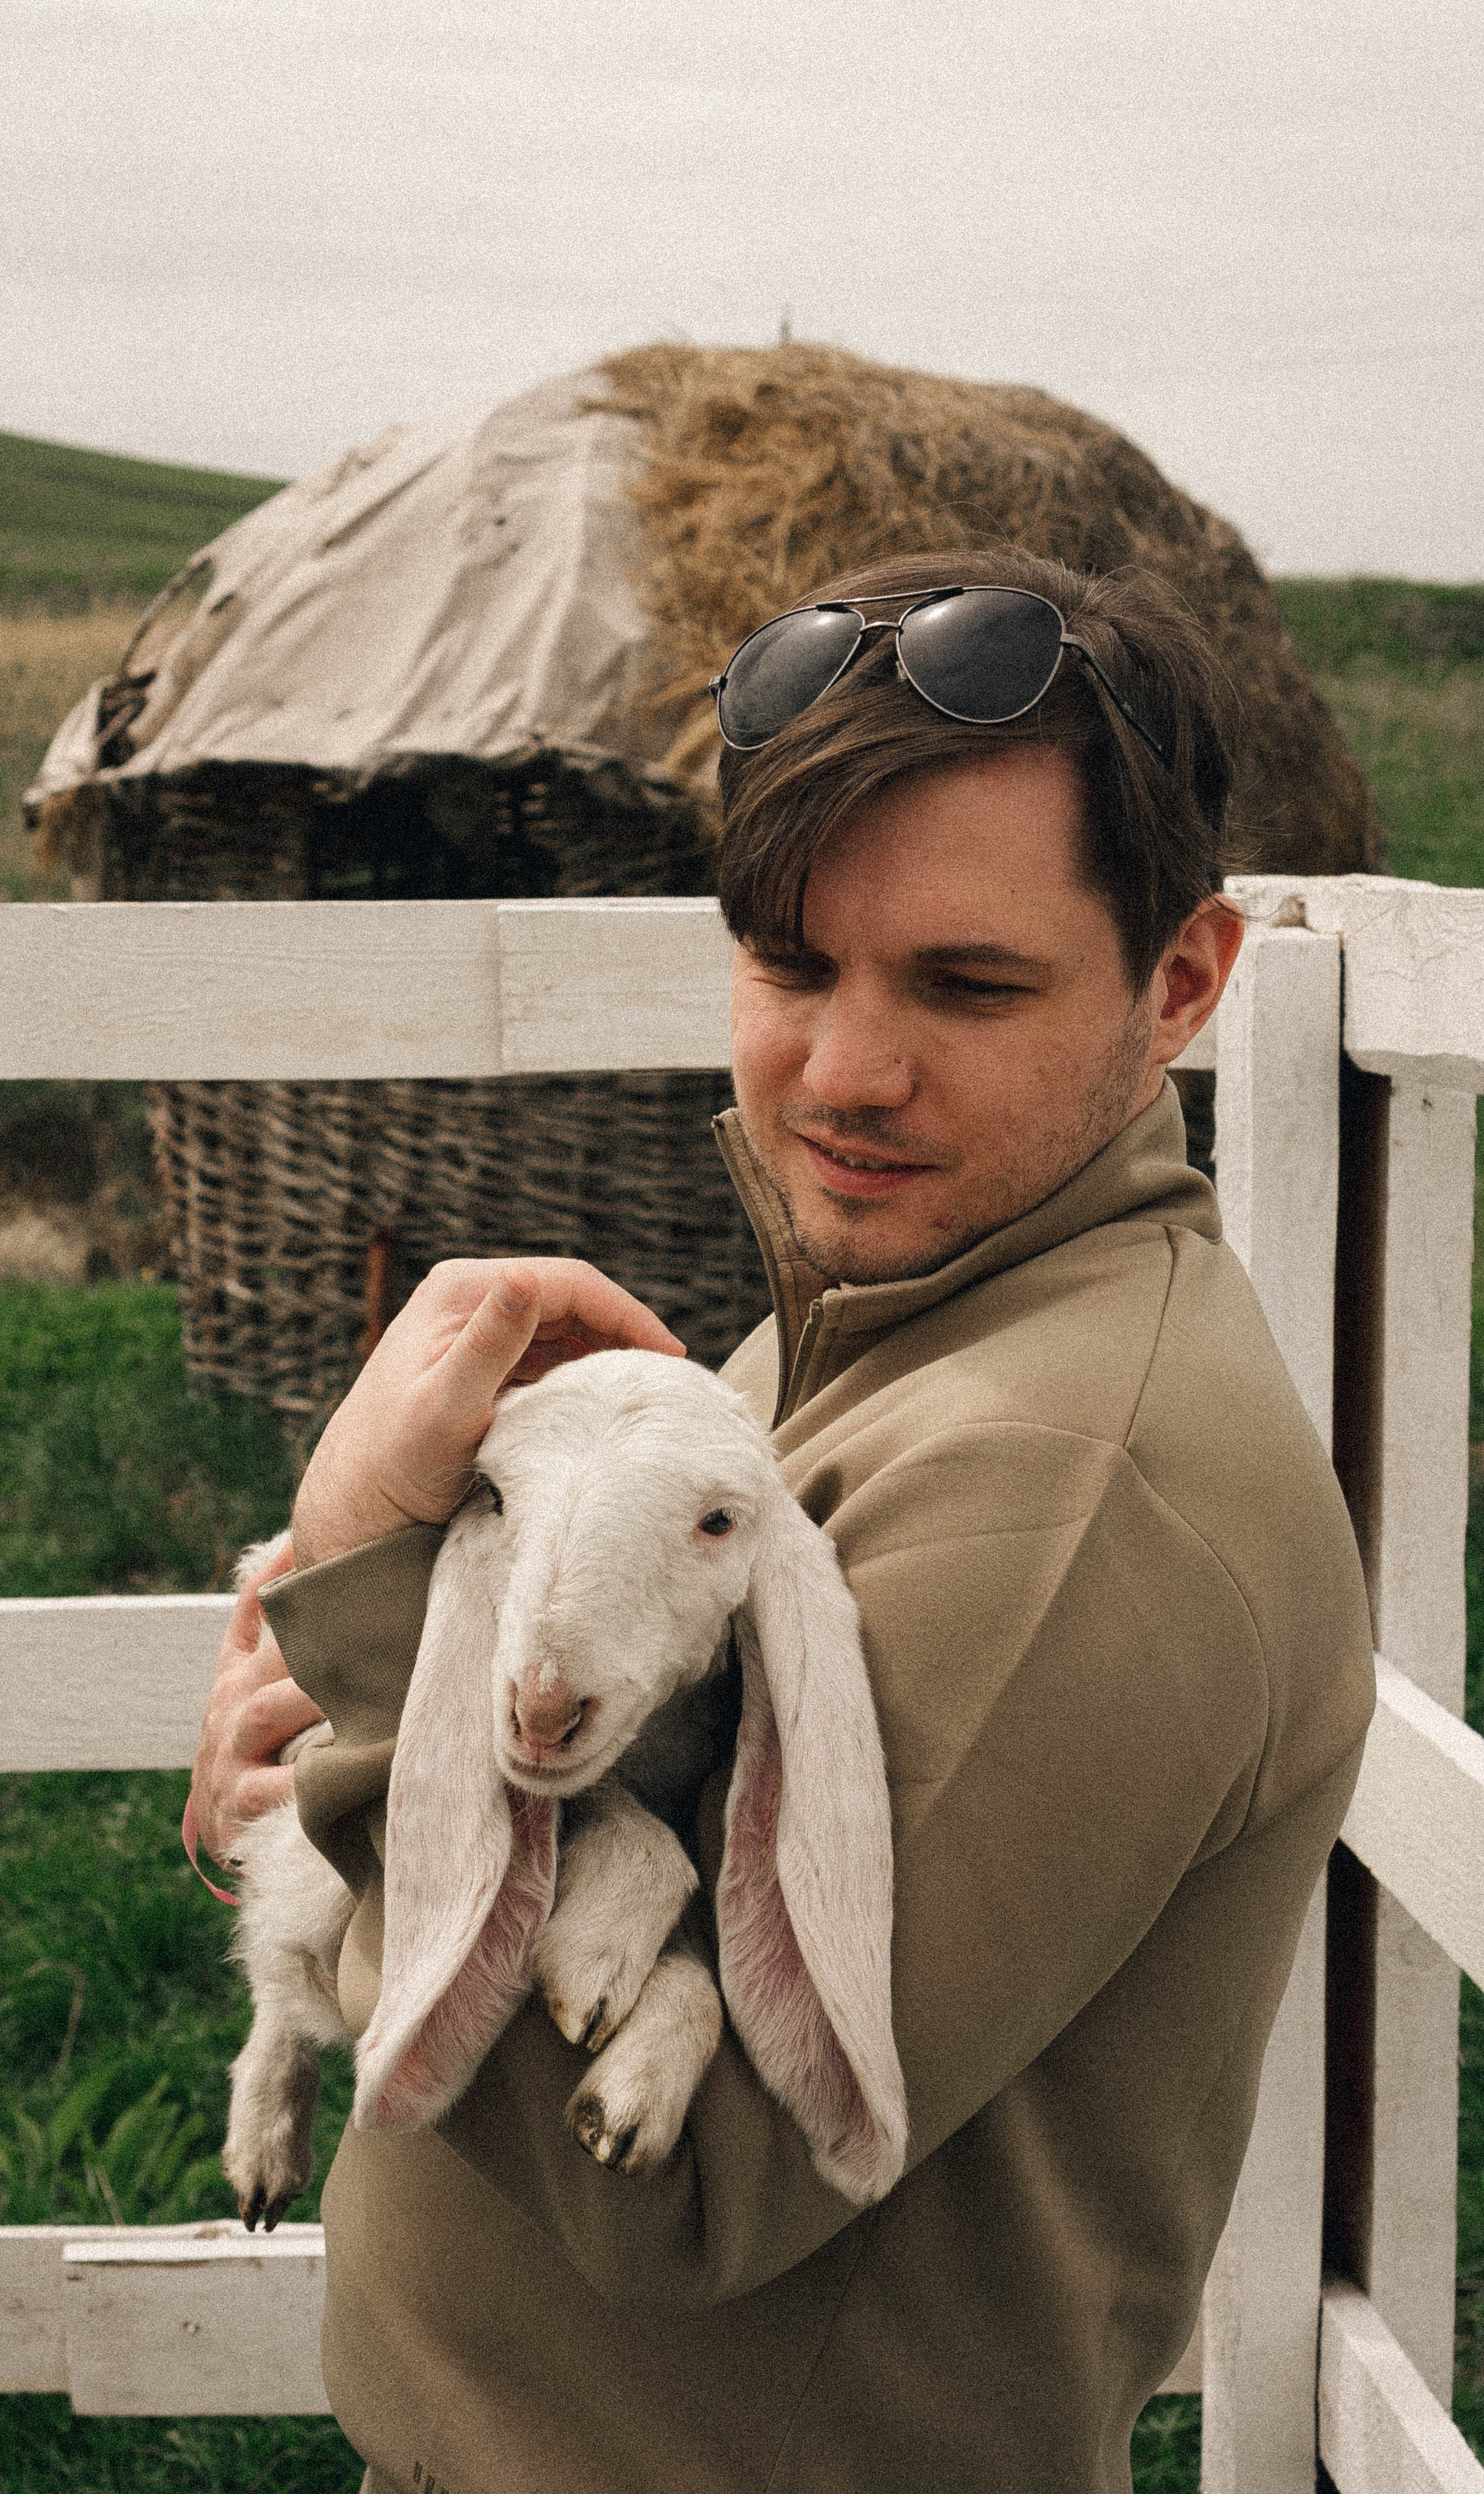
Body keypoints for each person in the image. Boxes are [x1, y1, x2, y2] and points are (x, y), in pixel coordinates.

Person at [192, 549, 1375, 2494]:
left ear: (1183, 983)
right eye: (792, 962)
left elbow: (685, 2195)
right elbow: (550, 1817)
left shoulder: (1074, 1480)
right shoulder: (861, 1335)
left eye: (967, 983)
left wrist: (369, 1626)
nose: (844, 1072)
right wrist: (338, 1752)